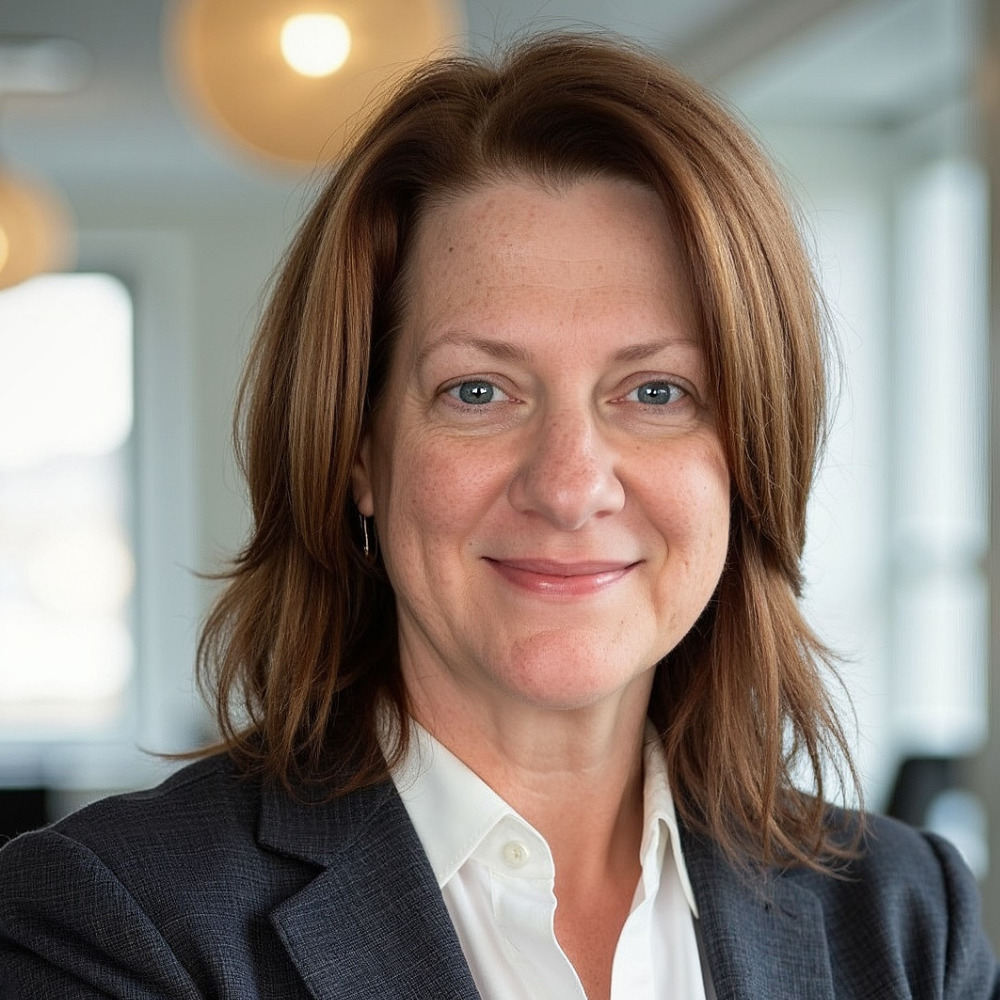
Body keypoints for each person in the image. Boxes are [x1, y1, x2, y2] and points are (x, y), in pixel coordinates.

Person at [1, 31, 997, 1000]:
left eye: (656, 393)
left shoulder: (907, 916)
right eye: (477, 392)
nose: (568, 487)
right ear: (356, 452)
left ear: (749, 458)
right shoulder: (115, 923)